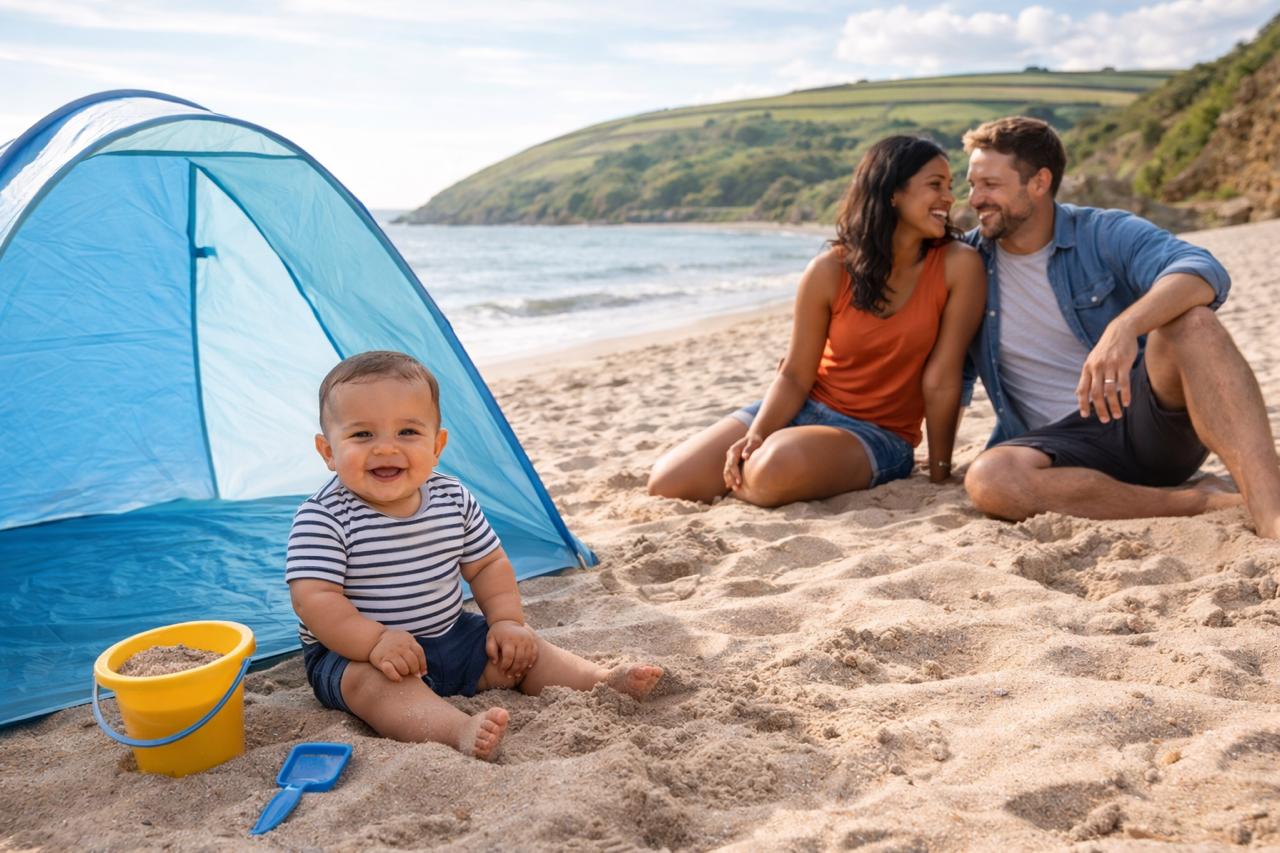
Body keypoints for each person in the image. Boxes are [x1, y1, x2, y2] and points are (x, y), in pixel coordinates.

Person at [286, 351, 663, 760]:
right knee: (374, 687)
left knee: (520, 651)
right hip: (355, 653)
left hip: (450, 635)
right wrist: (374, 641)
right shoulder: (323, 517)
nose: (385, 448)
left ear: (437, 444)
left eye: (408, 432)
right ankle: (457, 729)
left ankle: (599, 681)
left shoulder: (452, 497)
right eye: (362, 435)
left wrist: (506, 622)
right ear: (328, 451)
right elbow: (314, 599)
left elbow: (486, 565)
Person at [958, 116, 1280, 538]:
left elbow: (1203, 270)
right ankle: (1197, 502)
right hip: (1055, 447)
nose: (975, 199)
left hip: (1145, 421)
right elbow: (948, 361)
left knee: (1194, 321)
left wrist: (1123, 328)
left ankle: (1271, 514)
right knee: (989, 479)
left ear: (1039, 182)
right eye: (971, 184)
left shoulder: (1103, 231)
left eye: (990, 185)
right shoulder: (966, 262)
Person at [647, 136, 986, 506]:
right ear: (892, 192)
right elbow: (794, 374)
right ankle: (760, 468)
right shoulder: (830, 269)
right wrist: (757, 434)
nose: (950, 199)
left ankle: (761, 474)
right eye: (935, 185)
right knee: (668, 482)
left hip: (877, 436)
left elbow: (942, 379)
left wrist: (939, 471)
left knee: (772, 469)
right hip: (804, 406)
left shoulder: (959, 265)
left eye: (950, 187)